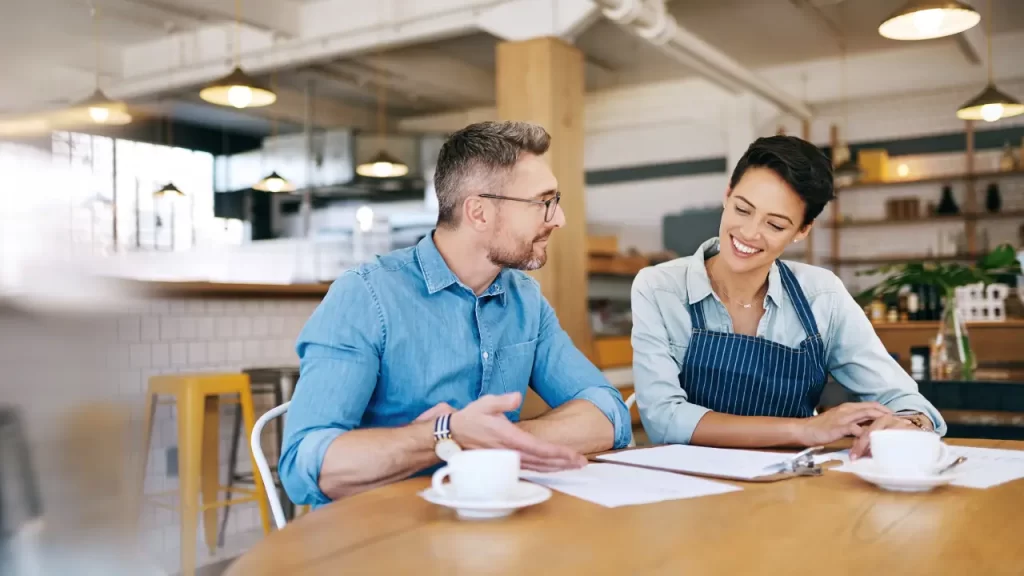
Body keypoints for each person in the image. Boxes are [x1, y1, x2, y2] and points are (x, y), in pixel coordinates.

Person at [280, 121, 631, 507]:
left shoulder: (525, 301)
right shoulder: (366, 296)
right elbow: (305, 466)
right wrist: (446, 434)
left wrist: (493, 442)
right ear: (478, 213)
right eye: (543, 202)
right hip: (377, 537)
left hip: (487, 526)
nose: (559, 218)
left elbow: (607, 412)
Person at [630, 135, 945, 460]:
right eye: (742, 209)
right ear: (727, 195)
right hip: (685, 488)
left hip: (791, 489)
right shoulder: (659, 288)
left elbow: (906, 400)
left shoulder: (822, 296)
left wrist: (911, 424)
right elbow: (662, 419)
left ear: (802, 231)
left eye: (776, 225)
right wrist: (803, 430)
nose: (750, 233)